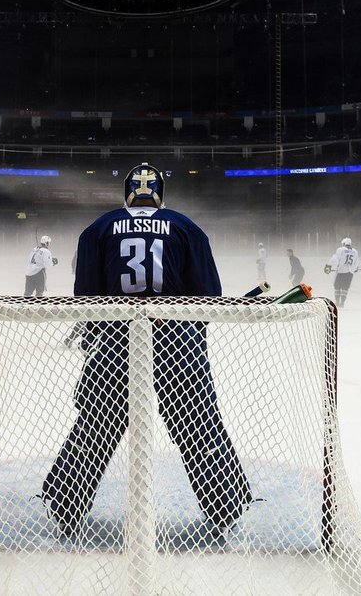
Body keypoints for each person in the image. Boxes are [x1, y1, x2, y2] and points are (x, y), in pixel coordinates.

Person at [42, 162, 252, 539]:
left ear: (127, 192)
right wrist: (189, 339)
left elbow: (85, 299)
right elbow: (209, 297)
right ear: (160, 194)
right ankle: (226, 505)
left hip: (115, 343)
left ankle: (64, 504)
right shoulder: (186, 227)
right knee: (198, 425)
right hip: (177, 342)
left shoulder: (98, 228)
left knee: (96, 423)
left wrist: (97, 339)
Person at [325, 237, 360, 308]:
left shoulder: (341, 250)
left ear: (344, 244)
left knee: (337, 286)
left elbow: (335, 258)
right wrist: (355, 268)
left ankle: (337, 302)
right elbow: (356, 262)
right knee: (345, 288)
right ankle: (342, 303)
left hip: (341, 272)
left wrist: (329, 265)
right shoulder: (355, 251)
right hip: (350, 273)